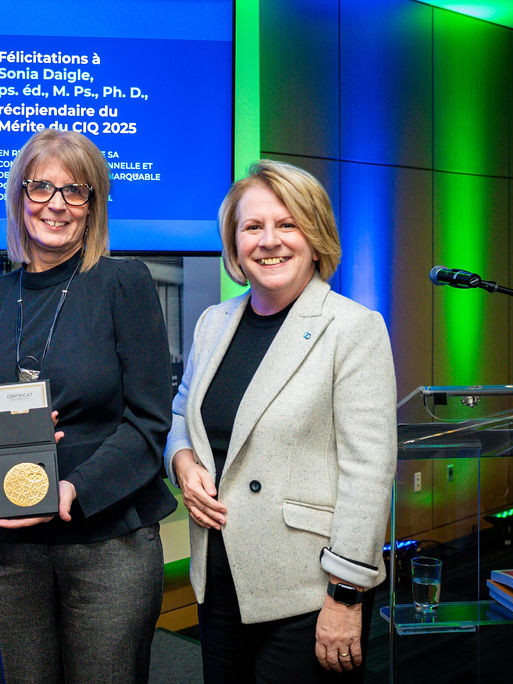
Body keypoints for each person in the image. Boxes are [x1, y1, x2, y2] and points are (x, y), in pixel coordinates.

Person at [0, 128, 177, 683]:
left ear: (94, 206)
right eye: (41, 187)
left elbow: (149, 423)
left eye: (76, 191)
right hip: (8, 548)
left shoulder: (123, 284)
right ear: (19, 197)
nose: (56, 205)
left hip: (108, 541)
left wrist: (74, 490)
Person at [165, 160, 396, 682]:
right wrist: (181, 459)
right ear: (235, 243)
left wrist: (345, 597)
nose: (269, 241)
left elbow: (369, 474)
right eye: (253, 227)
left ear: (315, 237)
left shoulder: (352, 329)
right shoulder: (213, 322)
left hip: (308, 593)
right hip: (220, 582)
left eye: (286, 224)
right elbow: (181, 412)